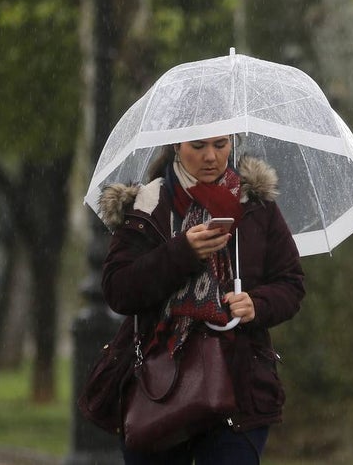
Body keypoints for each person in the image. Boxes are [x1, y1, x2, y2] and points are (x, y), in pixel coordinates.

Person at [98, 135, 306, 465]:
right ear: (176, 146)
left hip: (239, 386)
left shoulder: (255, 205)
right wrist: (182, 252)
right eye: (198, 146)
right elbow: (119, 290)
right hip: (158, 385)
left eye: (221, 145)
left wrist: (257, 303)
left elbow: (291, 284)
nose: (211, 156)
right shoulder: (147, 205)